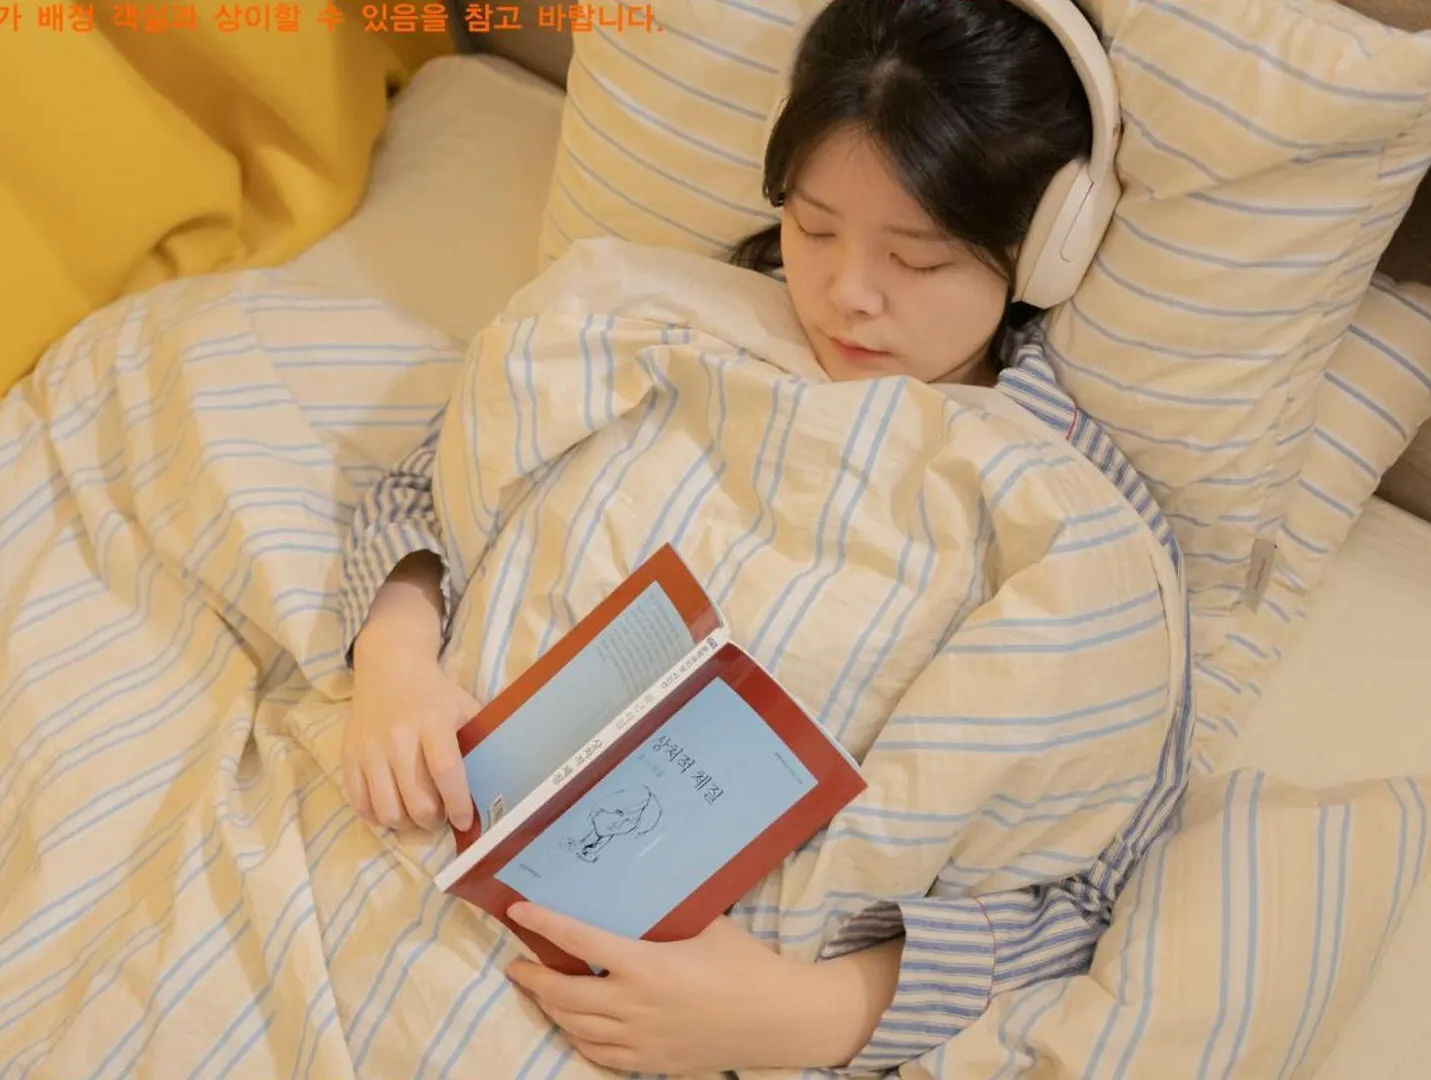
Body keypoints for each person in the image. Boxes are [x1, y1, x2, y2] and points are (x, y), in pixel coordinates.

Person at [337, 0, 1185, 1073]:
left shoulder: (1073, 524)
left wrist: (818, 1012)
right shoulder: (643, 319)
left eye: (920, 260)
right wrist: (395, 657)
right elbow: (432, 486)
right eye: (815, 229)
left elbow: (1095, 880)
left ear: (1045, 249)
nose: (848, 294)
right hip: (385, 856)